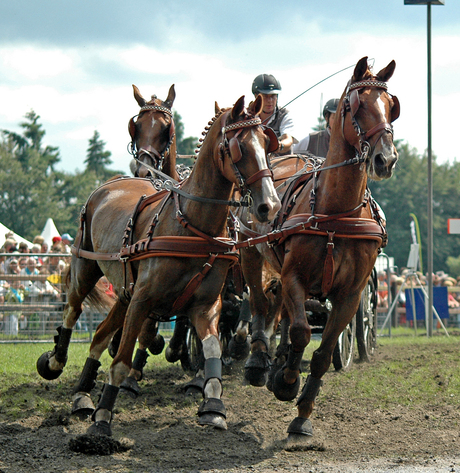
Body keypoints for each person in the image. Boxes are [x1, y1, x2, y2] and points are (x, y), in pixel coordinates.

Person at [251, 73, 298, 155]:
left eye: (273, 96)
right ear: (256, 96)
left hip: (281, 164)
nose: (270, 100)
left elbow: (288, 139)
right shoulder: (248, 117)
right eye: (265, 96)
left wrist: (279, 145)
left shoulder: (284, 115)